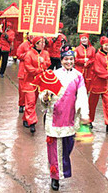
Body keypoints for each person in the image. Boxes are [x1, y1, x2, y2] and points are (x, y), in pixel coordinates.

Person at [36, 46, 90, 191]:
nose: (69, 62)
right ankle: (55, 178)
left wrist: (85, 114)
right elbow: (44, 94)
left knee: (66, 149)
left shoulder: (78, 76)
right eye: (66, 59)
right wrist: (45, 97)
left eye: (71, 59)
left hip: (70, 118)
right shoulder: (53, 74)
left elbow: (82, 95)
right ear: (61, 60)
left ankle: (61, 171)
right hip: (54, 117)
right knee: (54, 150)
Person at [20, 36, 50, 133]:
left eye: (44, 42)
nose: (43, 44)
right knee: (31, 101)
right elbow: (28, 67)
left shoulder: (45, 53)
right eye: (41, 43)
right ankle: (32, 122)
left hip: (40, 81)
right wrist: (39, 70)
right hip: (30, 81)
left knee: (34, 101)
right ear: (36, 44)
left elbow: (48, 63)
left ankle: (26, 118)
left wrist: (43, 62)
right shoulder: (29, 54)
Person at [88, 36, 108, 132]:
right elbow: (98, 70)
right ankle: (89, 121)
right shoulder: (97, 56)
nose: (107, 47)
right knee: (92, 103)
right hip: (97, 82)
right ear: (102, 45)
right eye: (106, 45)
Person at [16, 35, 33, 113]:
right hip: (23, 71)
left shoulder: (39, 46)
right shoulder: (24, 45)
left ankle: (29, 106)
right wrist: (27, 55)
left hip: (33, 72)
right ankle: (21, 104)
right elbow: (18, 55)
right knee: (22, 90)